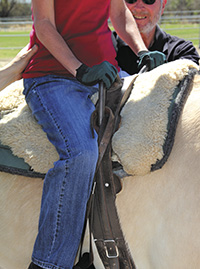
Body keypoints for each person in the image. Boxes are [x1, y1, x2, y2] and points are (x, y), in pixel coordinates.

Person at [22, 1, 166, 268]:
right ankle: (49, 263)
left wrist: (142, 50)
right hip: (53, 76)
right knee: (81, 154)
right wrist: (79, 69)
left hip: (106, 74)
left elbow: (119, 13)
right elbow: (43, 25)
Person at [113, 0, 200, 75]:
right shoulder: (106, 47)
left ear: (163, 6)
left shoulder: (181, 51)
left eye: (149, 0)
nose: (138, 8)